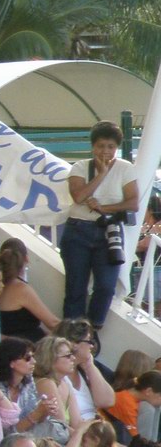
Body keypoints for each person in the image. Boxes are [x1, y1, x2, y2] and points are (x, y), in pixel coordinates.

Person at [63, 121, 139, 328]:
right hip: (78, 230)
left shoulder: (125, 168)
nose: (105, 151)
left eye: (111, 147)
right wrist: (102, 174)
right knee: (75, 288)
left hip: (109, 231)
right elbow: (79, 196)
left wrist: (104, 208)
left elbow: (133, 203)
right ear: (93, 146)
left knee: (106, 286)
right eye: (101, 146)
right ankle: (73, 333)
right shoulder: (80, 167)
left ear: (117, 148)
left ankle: (93, 328)